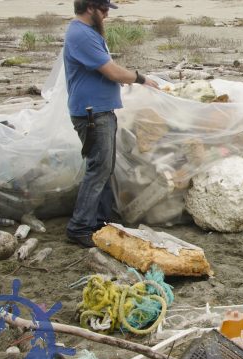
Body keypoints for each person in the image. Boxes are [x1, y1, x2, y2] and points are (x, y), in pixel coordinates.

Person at [63, 0, 158, 247]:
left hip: (101, 110)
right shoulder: (81, 34)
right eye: (103, 9)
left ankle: (100, 220)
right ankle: (79, 227)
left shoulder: (87, 33)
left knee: (105, 168)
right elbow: (112, 72)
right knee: (98, 169)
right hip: (92, 114)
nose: (106, 15)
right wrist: (140, 78)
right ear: (89, 8)